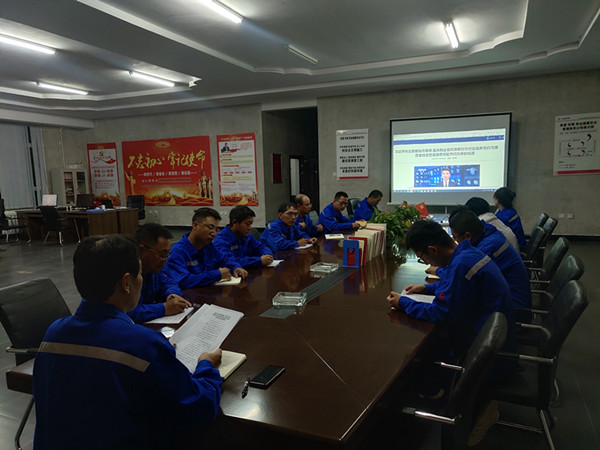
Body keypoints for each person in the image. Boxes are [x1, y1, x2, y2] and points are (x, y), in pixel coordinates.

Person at [33, 235, 223, 449]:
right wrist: (206, 366)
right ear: (126, 283)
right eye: (139, 274)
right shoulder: (144, 344)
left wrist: (156, 356)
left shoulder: (54, 332)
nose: (141, 280)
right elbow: (198, 407)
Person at [386, 220, 517, 373]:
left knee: (414, 359)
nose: (426, 263)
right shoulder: (467, 253)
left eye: (422, 258)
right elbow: (456, 284)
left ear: (433, 250)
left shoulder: (461, 265)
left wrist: (403, 303)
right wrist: (427, 288)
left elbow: (441, 313)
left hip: (484, 361)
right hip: (491, 340)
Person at [444, 208, 531, 320]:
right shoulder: (489, 233)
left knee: (454, 312)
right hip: (506, 298)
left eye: (455, 237)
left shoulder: (487, 248)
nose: (456, 242)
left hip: (513, 308)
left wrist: (438, 270)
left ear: (468, 236)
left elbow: (464, 275)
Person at [163, 208, 248, 288]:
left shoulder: (208, 245)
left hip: (208, 293)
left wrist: (235, 267)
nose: (214, 233)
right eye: (210, 228)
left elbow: (224, 260)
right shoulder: (178, 251)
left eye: (216, 229)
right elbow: (183, 281)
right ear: (195, 225)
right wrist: (216, 274)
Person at [127, 223, 192, 323]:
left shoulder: (153, 270)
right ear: (142, 250)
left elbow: (168, 283)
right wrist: (164, 308)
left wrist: (171, 294)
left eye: (167, 254)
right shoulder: (127, 274)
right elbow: (129, 312)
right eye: (162, 254)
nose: (165, 260)